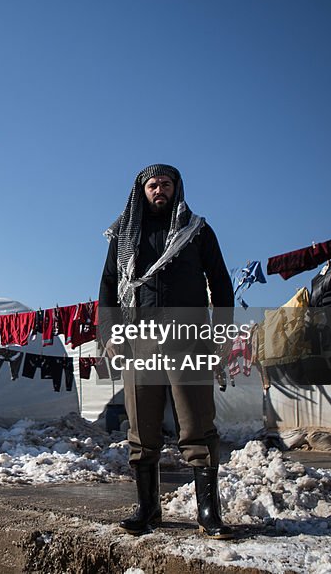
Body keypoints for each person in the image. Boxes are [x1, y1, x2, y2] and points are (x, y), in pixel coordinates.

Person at [99, 164, 234, 538]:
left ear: (177, 188)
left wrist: (220, 331)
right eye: (153, 185)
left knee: (196, 423)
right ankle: (148, 508)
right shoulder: (124, 235)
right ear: (141, 191)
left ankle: (208, 511)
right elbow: (109, 286)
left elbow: (221, 282)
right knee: (141, 426)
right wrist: (109, 332)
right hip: (138, 338)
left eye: (166, 184)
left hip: (188, 337)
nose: (160, 190)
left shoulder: (198, 231)